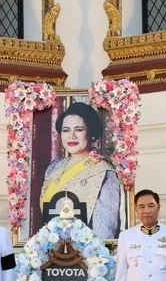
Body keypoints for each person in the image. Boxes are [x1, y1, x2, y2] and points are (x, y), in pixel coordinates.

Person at [40, 101, 123, 239]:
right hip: (52, 248)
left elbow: (106, 227)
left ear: (90, 133)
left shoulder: (103, 170)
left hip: (86, 252)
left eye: (79, 129)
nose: (71, 136)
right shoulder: (53, 168)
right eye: (66, 130)